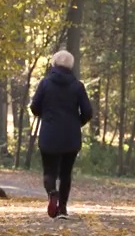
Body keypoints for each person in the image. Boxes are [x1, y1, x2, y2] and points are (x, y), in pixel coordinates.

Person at [30, 49, 93, 219]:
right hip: (71, 137)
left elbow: (34, 107)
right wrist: (77, 123)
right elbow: (87, 112)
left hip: (49, 134)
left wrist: (46, 116)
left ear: (54, 64)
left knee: (49, 171)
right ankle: (63, 209)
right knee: (66, 173)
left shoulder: (45, 83)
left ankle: (52, 193)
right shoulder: (78, 86)